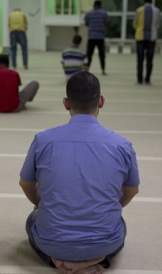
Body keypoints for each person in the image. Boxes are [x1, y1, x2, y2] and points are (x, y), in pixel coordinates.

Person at [20, 71, 140, 274]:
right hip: (104, 243)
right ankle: (92, 262)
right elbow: (131, 191)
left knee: (32, 221)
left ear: (66, 103)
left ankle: (58, 262)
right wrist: (107, 207)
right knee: (119, 225)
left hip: (52, 242)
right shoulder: (122, 145)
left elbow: (26, 184)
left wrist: (40, 203)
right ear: (101, 101)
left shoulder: (43, 140)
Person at [133, 0, 161, 85]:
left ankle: (139, 80)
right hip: (152, 38)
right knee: (150, 60)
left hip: (140, 37)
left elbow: (134, 24)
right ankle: (148, 79)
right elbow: (158, 24)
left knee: (140, 60)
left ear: (143, 1)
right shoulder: (157, 11)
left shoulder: (139, 10)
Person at [84, 1, 109, 76]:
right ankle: (103, 70)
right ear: (100, 5)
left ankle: (87, 70)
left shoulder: (89, 13)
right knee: (102, 55)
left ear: (93, 5)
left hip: (91, 37)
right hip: (100, 37)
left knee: (89, 55)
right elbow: (106, 22)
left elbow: (86, 23)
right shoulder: (104, 13)